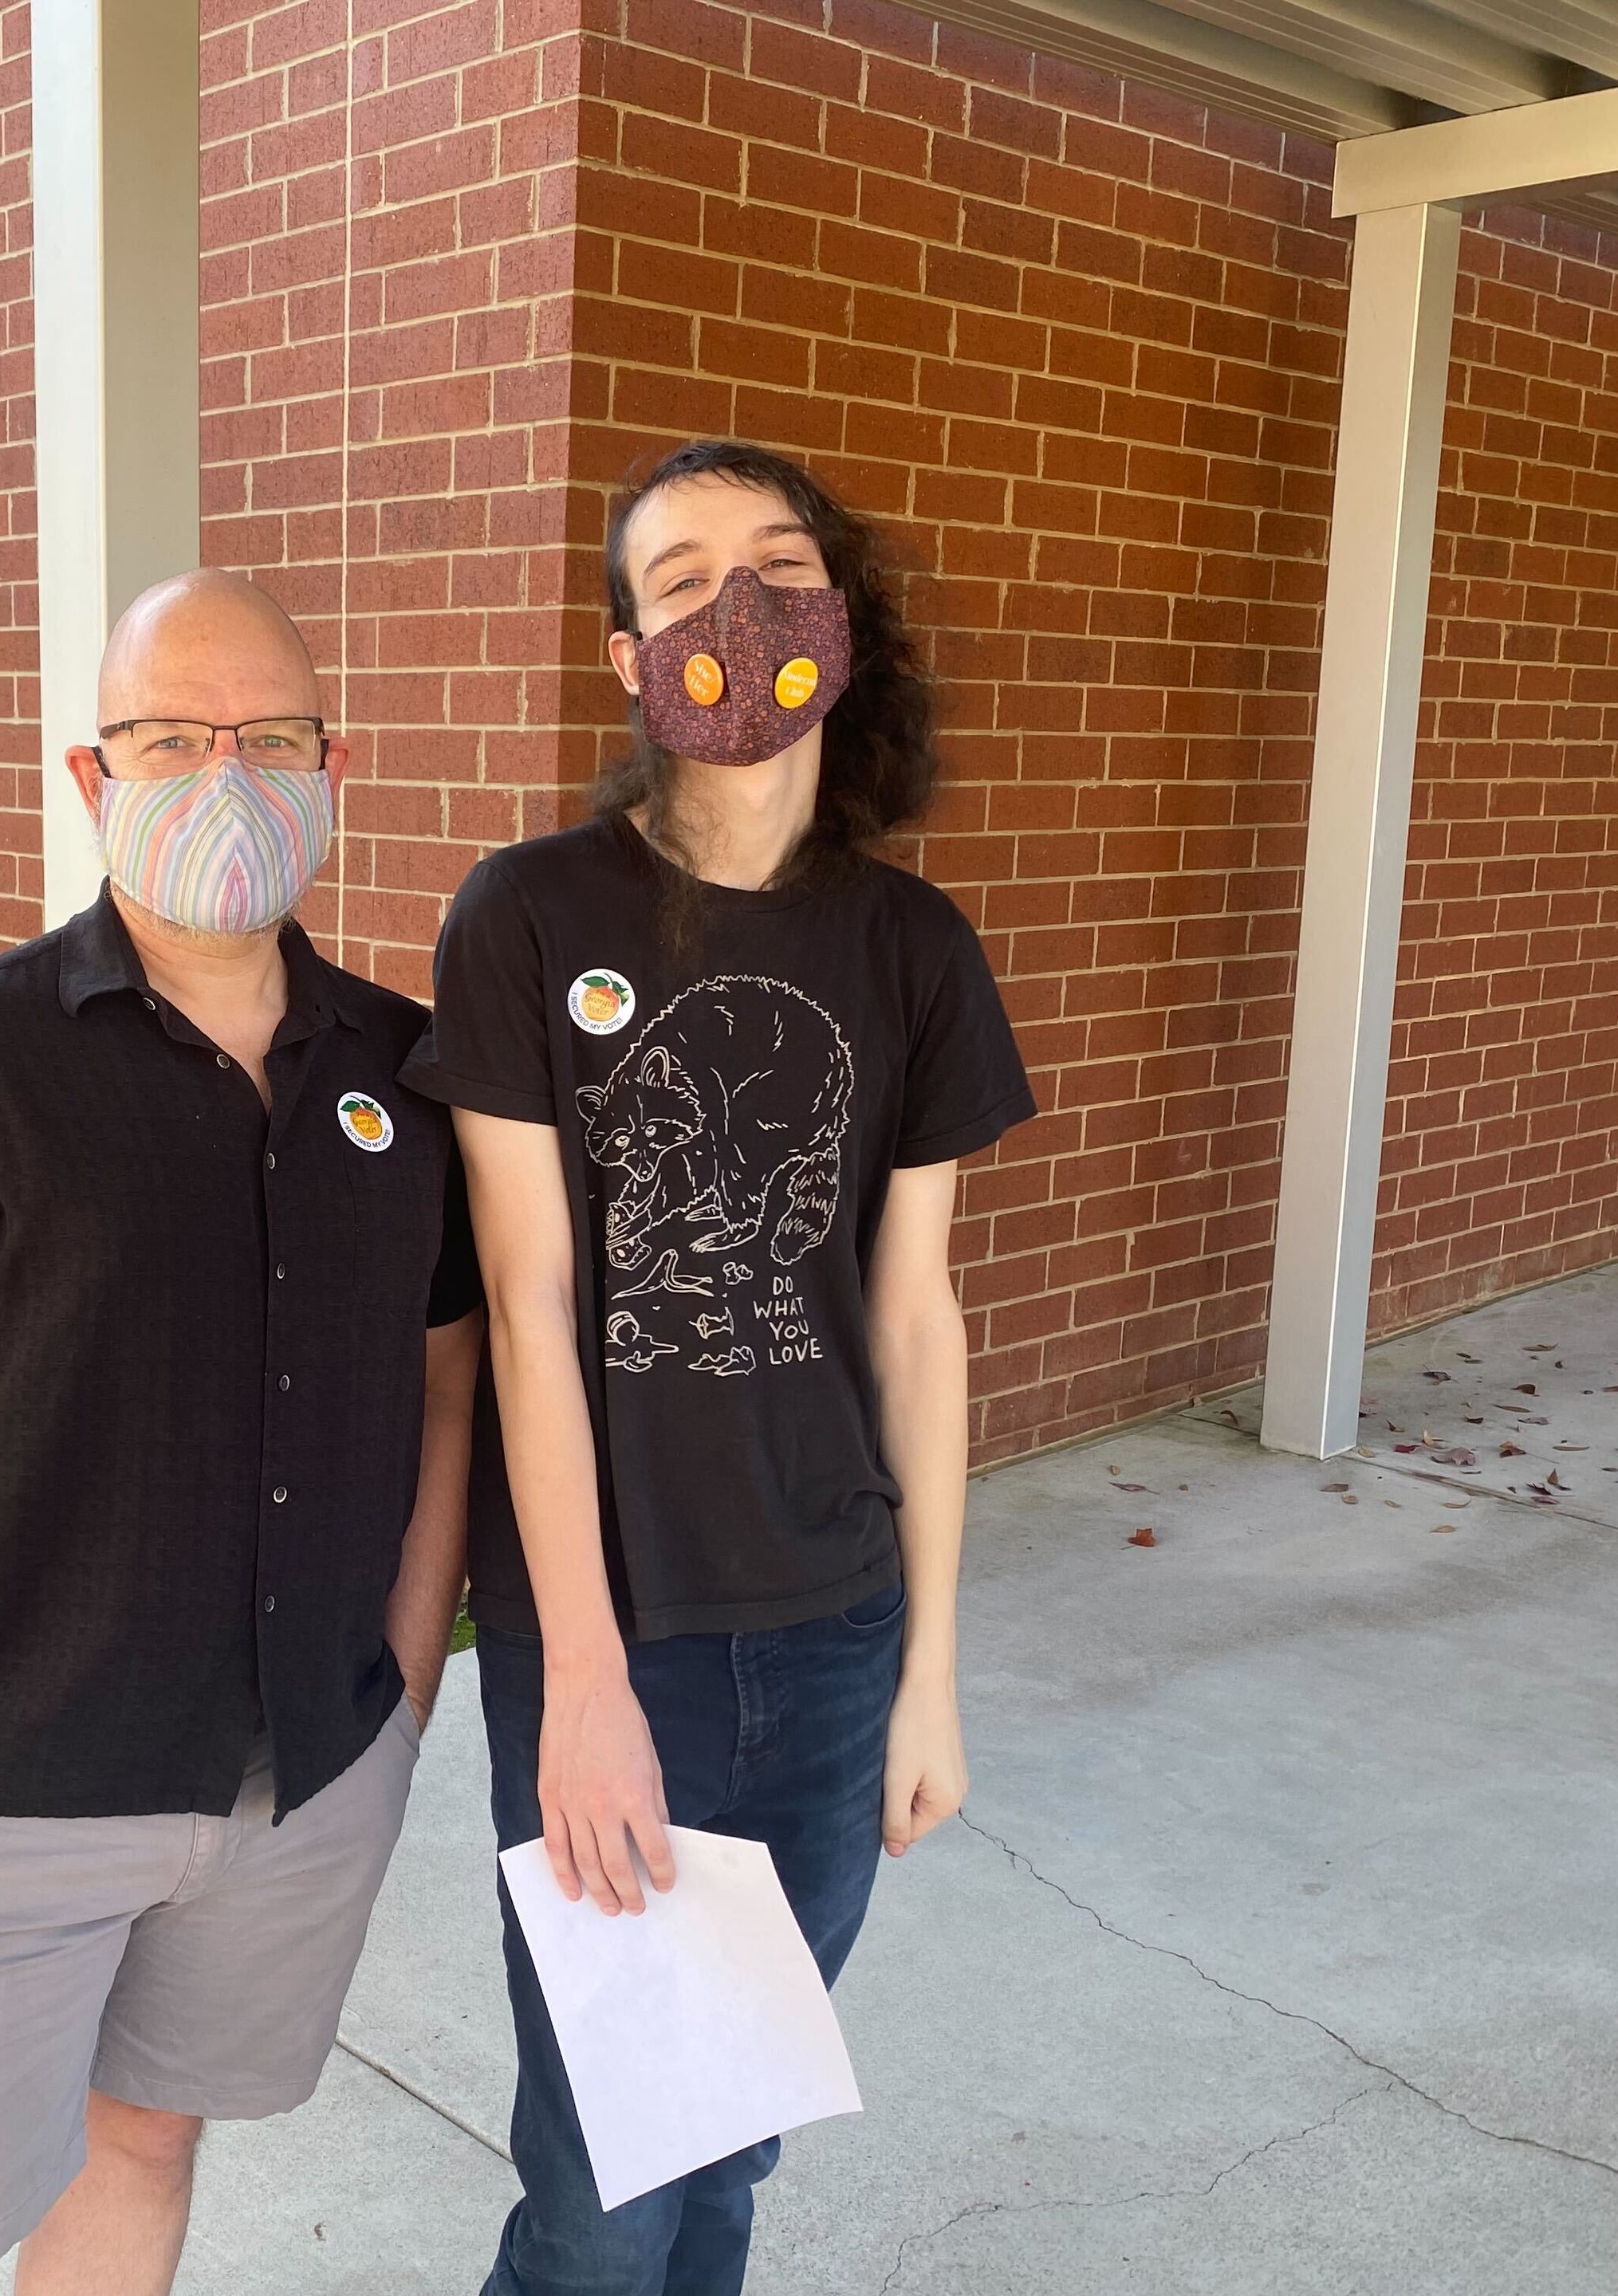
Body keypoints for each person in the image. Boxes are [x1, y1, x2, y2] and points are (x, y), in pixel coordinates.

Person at [0, 568, 485, 2296]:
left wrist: (398, 1680)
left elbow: (449, 1379)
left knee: (147, 2137)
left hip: (295, 1774)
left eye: (269, 738)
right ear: (95, 777)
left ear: (330, 767)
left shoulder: (406, 1070)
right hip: (5, 1785)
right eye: (171, 737)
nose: (223, 773)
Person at [403, 440, 1035, 2295]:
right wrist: (581, 1682)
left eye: (778, 564)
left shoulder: (913, 947)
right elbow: (529, 1307)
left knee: (730, 2146)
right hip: (619, 1634)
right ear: (627, 656)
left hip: (834, 1632)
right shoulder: (526, 918)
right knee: (603, 2195)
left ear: (841, 625)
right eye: (681, 576)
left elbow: (915, 1320)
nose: (736, 606)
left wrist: (929, 1675)